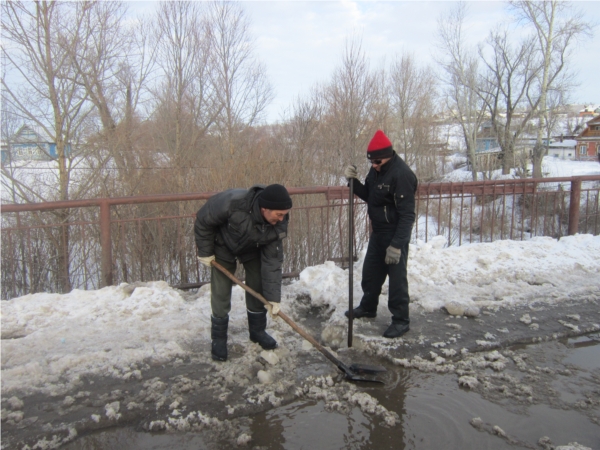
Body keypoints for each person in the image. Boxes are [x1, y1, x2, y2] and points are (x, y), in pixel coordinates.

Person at [194, 184, 292, 361]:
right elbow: (203, 219)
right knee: (221, 290)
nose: (281, 219)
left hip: (252, 248)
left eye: (284, 215)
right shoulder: (234, 203)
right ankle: (218, 339)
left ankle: (257, 331)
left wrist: (273, 299)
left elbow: (272, 262)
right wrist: (205, 251)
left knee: (257, 284)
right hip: (223, 244)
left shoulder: (278, 224)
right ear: (265, 209)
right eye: (279, 214)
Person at [344, 130, 418, 338]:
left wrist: (396, 245)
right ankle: (368, 307)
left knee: (397, 280)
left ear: (388, 155)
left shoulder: (401, 175)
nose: (373, 165)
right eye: (371, 162)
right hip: (378, 233)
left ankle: (401, 320)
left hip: (395, 234)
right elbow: (370, 195)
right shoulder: (376, 171)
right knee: (371, 273)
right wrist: (353, 182)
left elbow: (407, 215)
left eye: (377, 161)